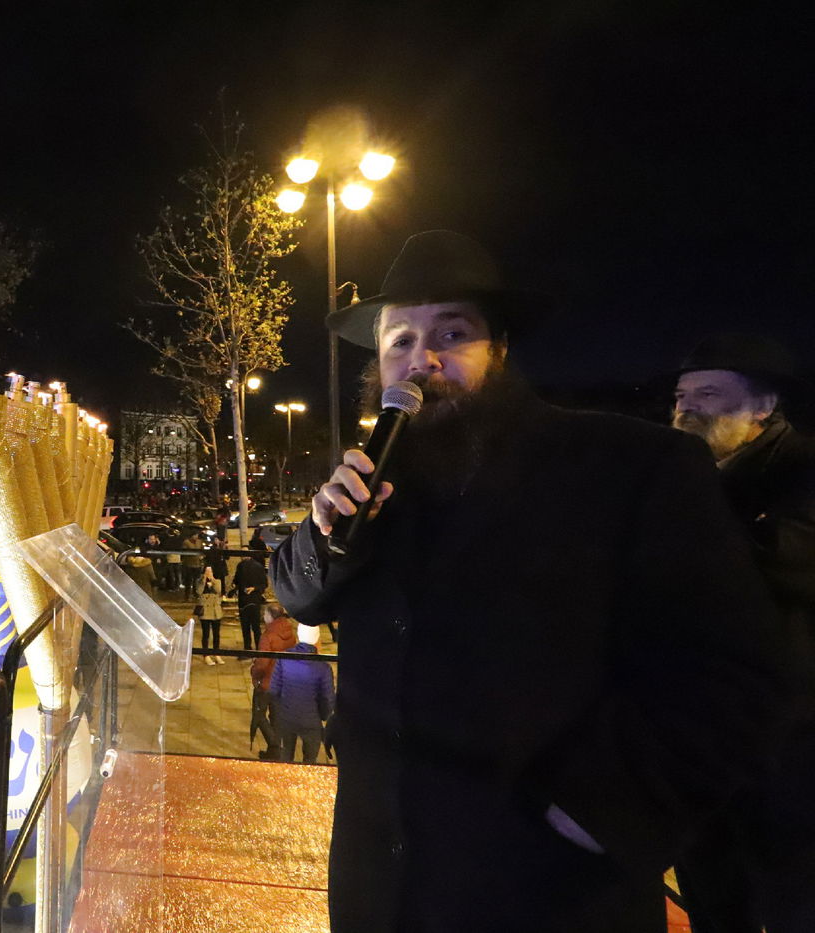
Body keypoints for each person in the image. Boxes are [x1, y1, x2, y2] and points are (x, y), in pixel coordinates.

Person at [270, 230, 791, 933]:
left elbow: (740, 673)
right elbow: (298, 592)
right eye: (400, 340)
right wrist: (320, 533)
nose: (421, 359)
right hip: (381, 895)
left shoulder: (628, 467)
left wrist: (604, 809)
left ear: (501, 349)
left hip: (546, 893)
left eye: (452, 332)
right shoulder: (379, 479)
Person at [668, 334, 815, 933]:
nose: (687, 407)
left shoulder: (800, 468)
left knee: (790, 899)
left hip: (788, 745)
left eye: (708, 393)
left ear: (763, 406)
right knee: (711, 896)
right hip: (699, 743)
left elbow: (787, 565)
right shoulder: (684, 478)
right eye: (681, 394)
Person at [268, 623, 333, 763]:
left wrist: (282, 710)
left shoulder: (284, 658)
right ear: (317, 639)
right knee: (310, 760)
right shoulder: (323, 667)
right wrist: (323, 716)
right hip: (311, 721)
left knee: (286, 755)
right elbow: (327, 699)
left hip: (287, 717)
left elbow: (274, 690)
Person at [249, 603, 296, 760]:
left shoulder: (268, 636)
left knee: (259, 715)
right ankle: (273, 752)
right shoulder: (290, 633)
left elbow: (262, 663)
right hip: (282, 681)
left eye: (265, 614)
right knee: (275, 716)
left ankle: (275, 746)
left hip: (267, 683)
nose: (263, 617)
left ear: (271, 616)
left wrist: (254, 675)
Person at [232, 551, 268, 650]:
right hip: (253, 600)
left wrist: (236, 586)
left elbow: (236, 581)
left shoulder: (242, 566)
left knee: (247, 626)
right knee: (255, 626)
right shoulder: (257, 566)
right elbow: (264, 584)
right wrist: (255, 588)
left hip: (246, 600)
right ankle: (258, 648)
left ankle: (249, 648)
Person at [195, 564, 224, 665]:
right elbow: (198, 591)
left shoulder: (218, 581)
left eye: (210, 571)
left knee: (216, 634)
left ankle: (217, 653)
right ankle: (206, 655)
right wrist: (203, 580)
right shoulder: (199, 581)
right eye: (206, 571)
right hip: (205, 610)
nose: (208, 573)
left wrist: (213, 580)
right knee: (206, 634)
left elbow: (219, 590)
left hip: (215, 610)